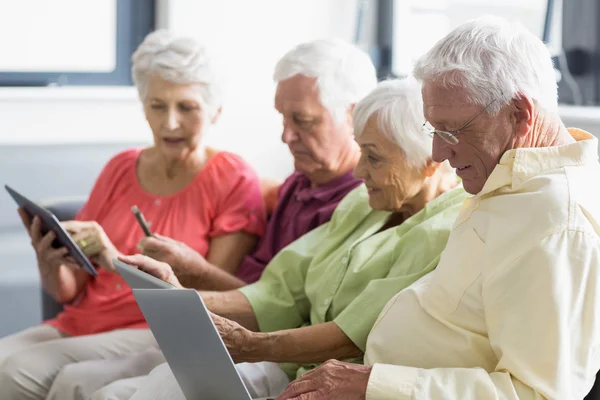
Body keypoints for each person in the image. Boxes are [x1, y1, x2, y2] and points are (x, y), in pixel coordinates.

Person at [276, 16, 600, 400]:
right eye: (434, 130)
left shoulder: (555, 221)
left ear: (519, 114)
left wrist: (371, 384)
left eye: (452, 130)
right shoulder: (510, 176)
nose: (437, 153)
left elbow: (538, 394)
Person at [44, 37, 374, 400]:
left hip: (261, 348)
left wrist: (191, 273)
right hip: (217, 332)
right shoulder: (298, 185)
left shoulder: (365, 202)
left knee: (92, 388)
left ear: (354, 116)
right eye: (282, 117)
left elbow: (288, 311)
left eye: (303, 120)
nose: (285, 136)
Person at [99, 76, 467, 400]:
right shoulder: (363, 201)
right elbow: (279, 291)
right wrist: (179, 294)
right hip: (288, 365)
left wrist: (251, 346)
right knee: (125, 391)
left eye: (373, 158)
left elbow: (352, 334)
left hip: (336, 382)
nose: (358, 170)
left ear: (430, 159)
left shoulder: (448, 229)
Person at [0, 30, 269, 400]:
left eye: (186, 107)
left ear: (215, 111)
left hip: (152, 328)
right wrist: (50, 258)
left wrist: (115, 260)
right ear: (143, 107)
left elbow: (212, 296)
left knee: (17, 371)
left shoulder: (232, 178)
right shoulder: (121, 167)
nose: (170, 123)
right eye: (157, 106)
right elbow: (70, 288)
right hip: (82, 321)